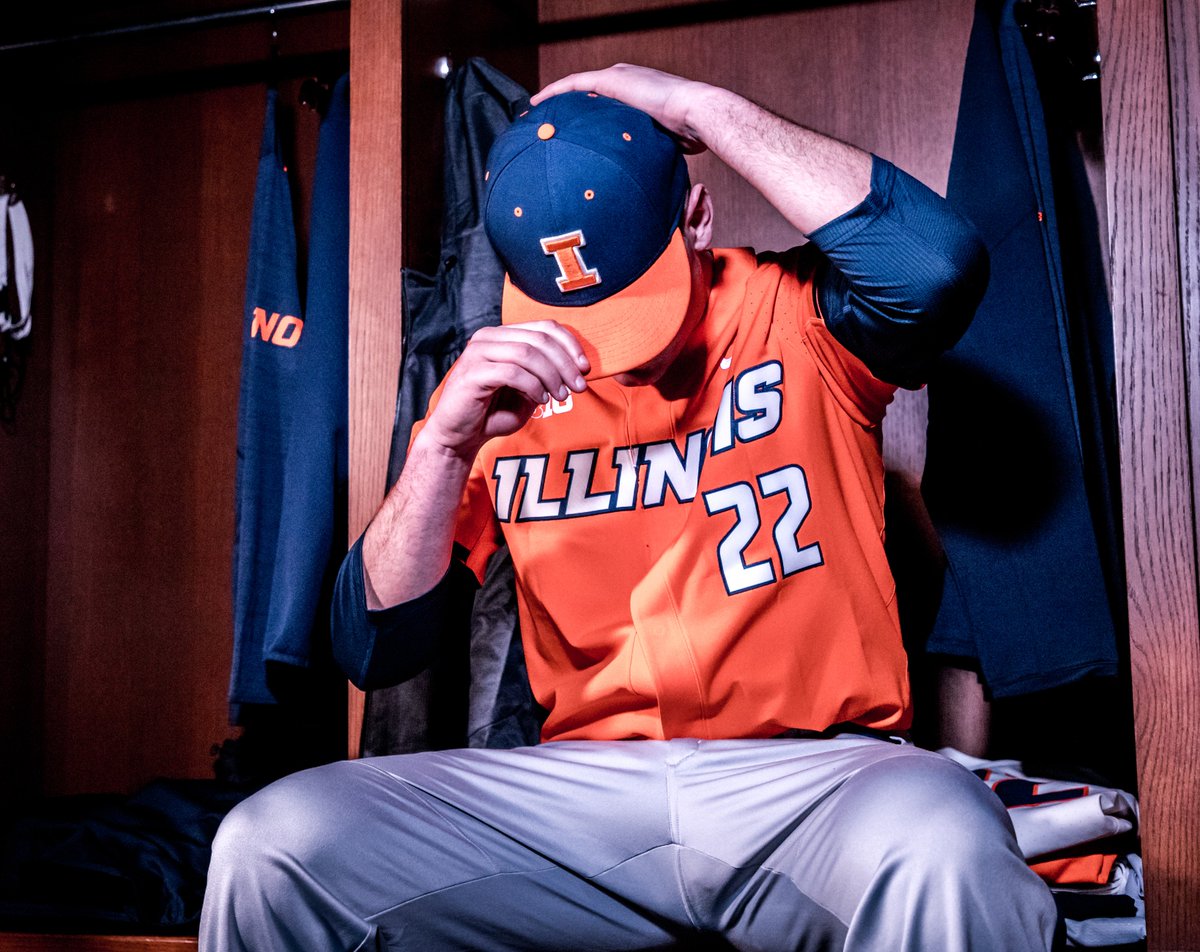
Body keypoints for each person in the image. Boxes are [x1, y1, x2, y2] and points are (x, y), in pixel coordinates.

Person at [200, 64, 1059, 950]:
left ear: (697, 218)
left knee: (944, 842)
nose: (609, 348)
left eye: (632, 299)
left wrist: (699, 109)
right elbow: (374, 647)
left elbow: (939, 263)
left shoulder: (795, 309)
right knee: (276, 844)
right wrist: (443, 449)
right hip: (583, 795)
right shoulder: (505, 379)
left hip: (815, 782)